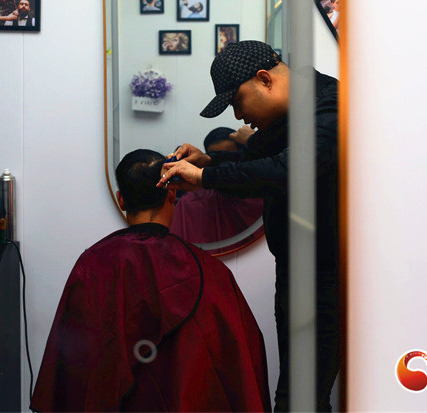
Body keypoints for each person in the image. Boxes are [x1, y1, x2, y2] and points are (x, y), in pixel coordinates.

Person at [158, 40, 339, 412]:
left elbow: (288, 169)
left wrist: (205, 178)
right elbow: (252, 160)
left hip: (328, 277)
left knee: (297, 400)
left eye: (237, 102)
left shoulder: (331, 107)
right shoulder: (283, 118)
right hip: (294, 272)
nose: (238, 116)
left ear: (264, 80)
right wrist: (208, 162)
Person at [31, 149, 271, 412]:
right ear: (172, 194)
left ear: (121, 200)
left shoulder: (92, 265)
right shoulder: (210, 271)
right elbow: (241, 361)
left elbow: (70, 369)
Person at [170, 127, 263, 244]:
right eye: (217, 161)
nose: (223, 168)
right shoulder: (190, 204)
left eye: (229, 161)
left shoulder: (262, 195)